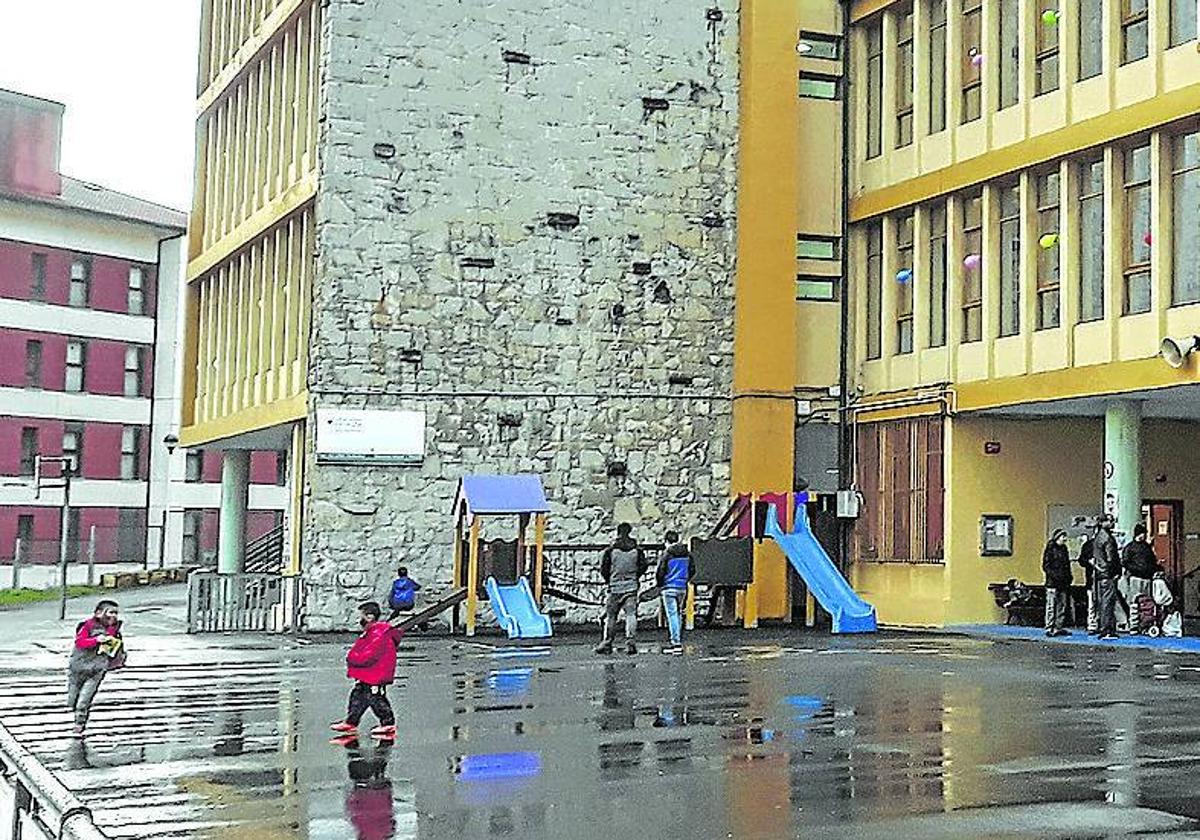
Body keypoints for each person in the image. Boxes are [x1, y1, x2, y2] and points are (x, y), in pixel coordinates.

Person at [331, 602, 402, 741]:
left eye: (361, 616)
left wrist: (353, 658)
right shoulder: (372, 632)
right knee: (357, 696)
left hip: (376, 674)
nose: (359, 619)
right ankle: (351, 722)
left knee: (376, 698)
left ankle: (388, 723)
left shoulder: (378, 633)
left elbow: (370, 654)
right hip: (369, 673)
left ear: (369, 617)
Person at [67, 600, 125, 738]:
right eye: (111, 612)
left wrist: (118, 659)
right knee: (72, 700)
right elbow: (80, 642)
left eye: (116, 613)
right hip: (78, 668)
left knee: (84, 701)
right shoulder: (88, 625)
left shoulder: (115, 630)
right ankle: (76, 711)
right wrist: (96, 640)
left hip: (97, 670)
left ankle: (79, 724)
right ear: (99, 613)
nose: (114, 616)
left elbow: (117, 649)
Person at [595, 523, 647, 655]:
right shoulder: (637, 550)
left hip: (615, 587)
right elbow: (643, 566)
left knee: (611, 616)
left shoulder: (611, 551)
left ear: (618, 532)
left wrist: (609, 580)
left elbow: (604, 569)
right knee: (631, 615)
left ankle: (607, 642)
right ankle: (630, 641)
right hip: (631, 586)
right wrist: (635, 577)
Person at [655, 531, 695, 654]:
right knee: (678, 613)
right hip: (682, 587)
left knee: (672, 615)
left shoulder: (667, 554)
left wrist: (660, 584)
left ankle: (676, 643)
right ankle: (677, 639)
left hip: (668, 587)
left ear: (666, 541)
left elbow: (660, 571)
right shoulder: (687, 554)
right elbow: (693, 569)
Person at [1094, 514, 1123, 640]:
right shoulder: (1107, 538)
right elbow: (1111, 558)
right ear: (1103, 522)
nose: (1113, 523)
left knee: (1104, 602)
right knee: (1108, 602)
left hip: (1101, 573)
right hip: (1108, 574)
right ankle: (1107, 629)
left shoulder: (1098, 537)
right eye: (1110, 521)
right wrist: (1115, 571)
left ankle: (1106, 628)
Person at [1121, 522, 1160, 614]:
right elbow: (1125, 562)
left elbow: (1125, 562)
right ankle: (1137, 620)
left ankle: (1140, 619)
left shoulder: (1131, 547)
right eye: (1143, 533)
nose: (1145, 535)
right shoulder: (1143, 547)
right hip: (1138, 577)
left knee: (1140, 600)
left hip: (1142, 577)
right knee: (1139, 601)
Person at [1042, 529, 1072, 637]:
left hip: (1062, 582)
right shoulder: (1050, 549)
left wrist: (1068, 577)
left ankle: (1058, 626)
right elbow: (1046, 566)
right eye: (1063, 537)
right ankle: (1050, 627)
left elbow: (1067, 565)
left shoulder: (1064, 549)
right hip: (1053, 583)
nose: (1065, 539)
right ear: (1058, 537)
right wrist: (1056, 576)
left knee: (1061, 605)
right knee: (1052, 605)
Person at [1077, 526, 1098, 634]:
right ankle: (1093, 624)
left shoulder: (1088, 545)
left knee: (1092, 603)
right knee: (1093, 603)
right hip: (1094, 578)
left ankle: (1093, 625)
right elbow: (1081, 560)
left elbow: (1081, 560)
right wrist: (1088, 561)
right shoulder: (1089, 545)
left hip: (1093, 578)